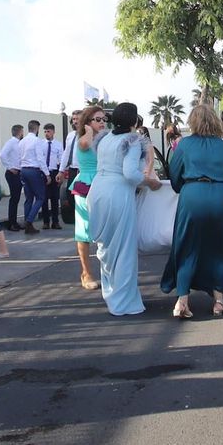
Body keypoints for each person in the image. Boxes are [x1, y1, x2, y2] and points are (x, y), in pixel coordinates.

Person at [160, 103, 223, 319]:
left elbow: (175, 178)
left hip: (192, 195)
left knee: (186, 247)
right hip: (220, 196)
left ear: (192, 122)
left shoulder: (184, 145)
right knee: (220, 248)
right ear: (214, 120)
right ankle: (219, 301)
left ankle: (182, 301)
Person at [88, 102, 154, 316]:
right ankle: (124, 302)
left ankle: (111, 293)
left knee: (106, 248)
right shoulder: (132, 140)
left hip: (97, 191)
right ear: (134, 121)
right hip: (118, 194)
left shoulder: (105, 138)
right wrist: (149, 182)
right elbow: (130, 173)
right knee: (124, 248)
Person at [70, 106, 105, 290]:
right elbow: (84, 145)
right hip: (86, 184)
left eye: (103, 119)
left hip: (102, 184)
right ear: (88, 122)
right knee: (84, 231)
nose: (102, 122)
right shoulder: (83, 138)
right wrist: (89, 130)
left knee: (104, 228)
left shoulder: (104, 138)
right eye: (97, 119)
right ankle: (86, 273)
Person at [18, 118, 47, 234]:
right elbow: (40, 158)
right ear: (37, 129)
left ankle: (28, 224)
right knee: (40, 197)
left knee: (29, 198)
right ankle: (29, 221)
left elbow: (19, 157)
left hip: (23, 170)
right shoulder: (37, 141)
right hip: (34, 171)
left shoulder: (21, 142)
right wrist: (47, 174)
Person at [0, 124, 25, 230]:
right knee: (14, 198)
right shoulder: (11, 142)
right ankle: (12, 223)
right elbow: (2, 154)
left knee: (16, 198)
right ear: (19, 132)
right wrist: (9, 167)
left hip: (18, 172)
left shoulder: (18, 143)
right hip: (13, 173)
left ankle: (14, 222)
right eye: (22, 131)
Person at [38, 122, 64, 229]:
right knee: (43, 198)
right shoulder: (40, 144)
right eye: (44, 131)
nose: (46, 133)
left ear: (53, 132)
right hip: (44, 172)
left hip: (54, 172)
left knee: (54, 197)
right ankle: (45, 222)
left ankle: (55, 221)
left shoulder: (58, 144)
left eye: (48, 131)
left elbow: (62, 158)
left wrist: (61, 173)